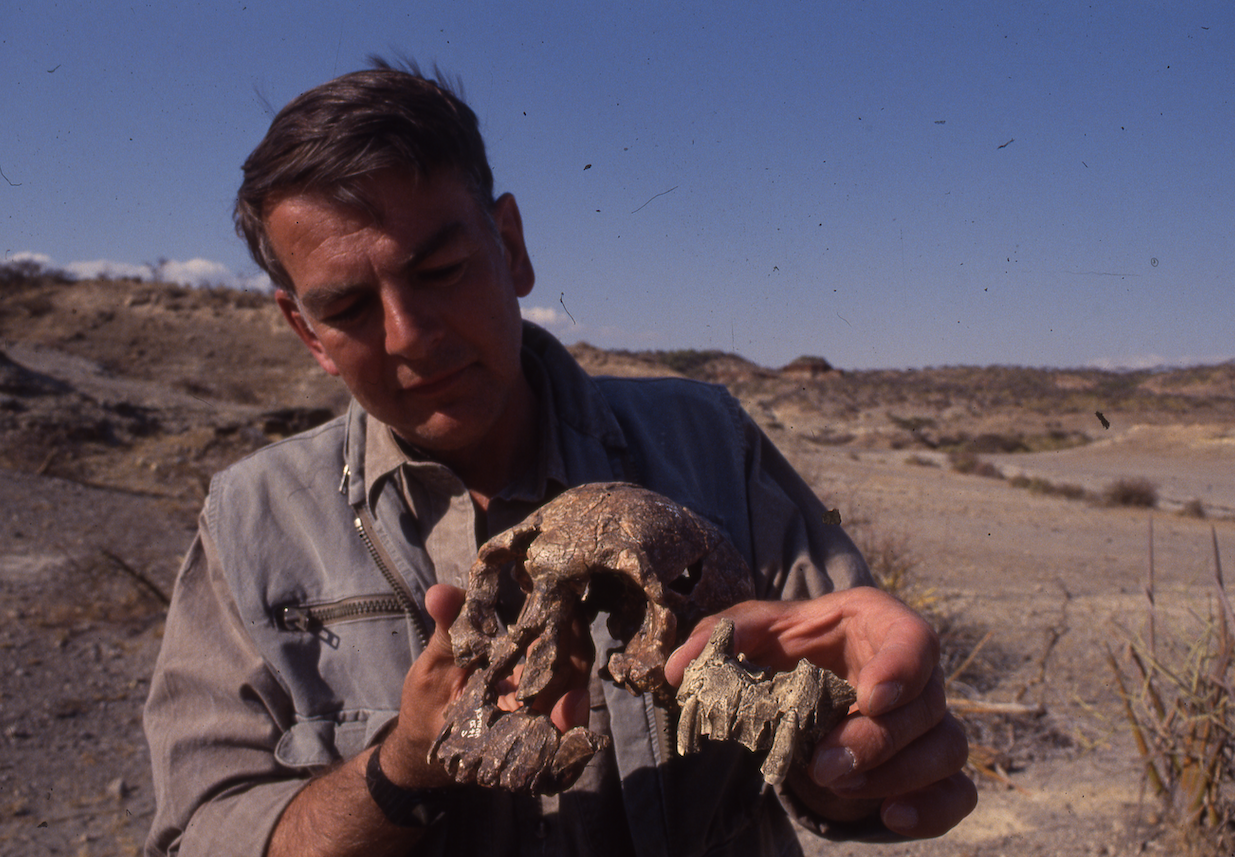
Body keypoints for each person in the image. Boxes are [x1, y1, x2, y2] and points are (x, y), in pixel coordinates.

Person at [143, 59, 975, 857]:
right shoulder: (251, 520)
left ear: (511, 246)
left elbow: (835, 745)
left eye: (441, 269)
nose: (410, 336)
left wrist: (868, 744)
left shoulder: (706, 440)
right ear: (305, 331)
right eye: (351, 307)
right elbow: (201, 829)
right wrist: (404, 767)